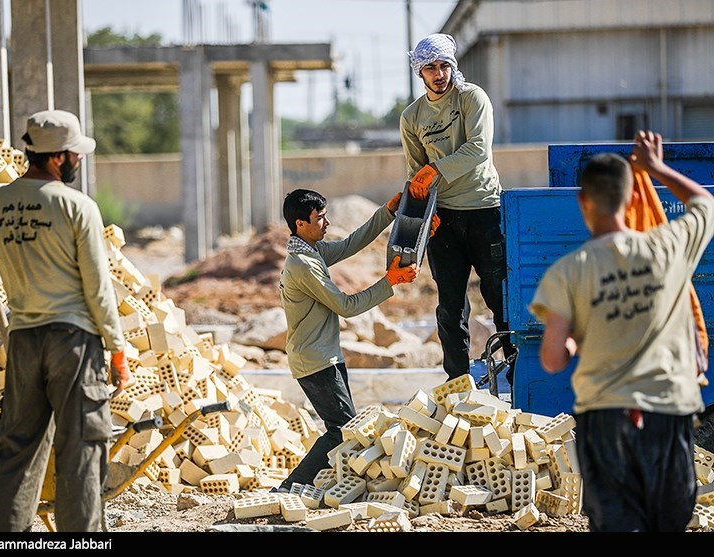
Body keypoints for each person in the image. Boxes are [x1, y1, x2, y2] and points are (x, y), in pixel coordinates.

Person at [0, 109, 133, 532]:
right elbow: (97, 289)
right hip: (74, 343)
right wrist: (117, 350)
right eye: (76, 154)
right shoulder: (77, 207)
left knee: (17, 451)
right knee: (81, 453)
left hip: (24, 342)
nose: (80, 161)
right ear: (57, 158)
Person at [529, 130, 714, 532]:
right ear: (633, 198)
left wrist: (576, 338)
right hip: (669, 412)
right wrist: (656, 167)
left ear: (584, 203)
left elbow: (552, 358)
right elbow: (705, 204)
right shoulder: (670, 246)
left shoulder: (568, 271)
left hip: (606, 417)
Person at [274, 189, 433, 492]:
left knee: (344, 429)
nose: (327, 222)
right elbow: (346, 307)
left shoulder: (312, 251)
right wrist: (390, 281)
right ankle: (289, 487)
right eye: (320, 218)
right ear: (300, 224)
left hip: (324, 357)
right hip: (316, 361)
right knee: (342, 431)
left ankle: (328, 485)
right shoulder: (303, 265)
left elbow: (350, 244)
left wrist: (387, 212)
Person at [400, 33, 516, 385]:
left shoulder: (472, 98)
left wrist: (436, 170)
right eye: (431, 68)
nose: (439, 74)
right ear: (420, 73)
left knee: (500, 296)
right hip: (443, 219)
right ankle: (458, 384)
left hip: (484, 208)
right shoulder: (412, 117)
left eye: (444, 65)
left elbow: (478, 148)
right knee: (450, 307)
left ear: (453, 66)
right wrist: (419, 217)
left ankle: (520, 373)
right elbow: (415, 173)